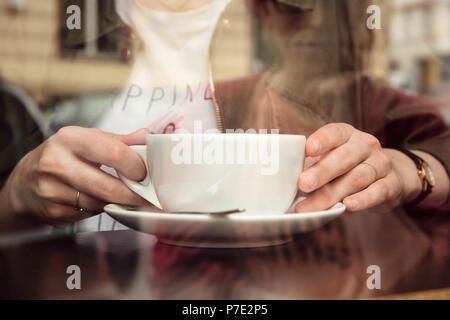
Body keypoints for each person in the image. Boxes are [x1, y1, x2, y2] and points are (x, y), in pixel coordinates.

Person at [0, 0, 448, 235]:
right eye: (293, 5)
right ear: (262, 13)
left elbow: (440, 152)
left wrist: (412, 170)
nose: (316, 22)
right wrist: (22, 195)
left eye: (338, 7)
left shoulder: (389, 105)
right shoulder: (213, 98)